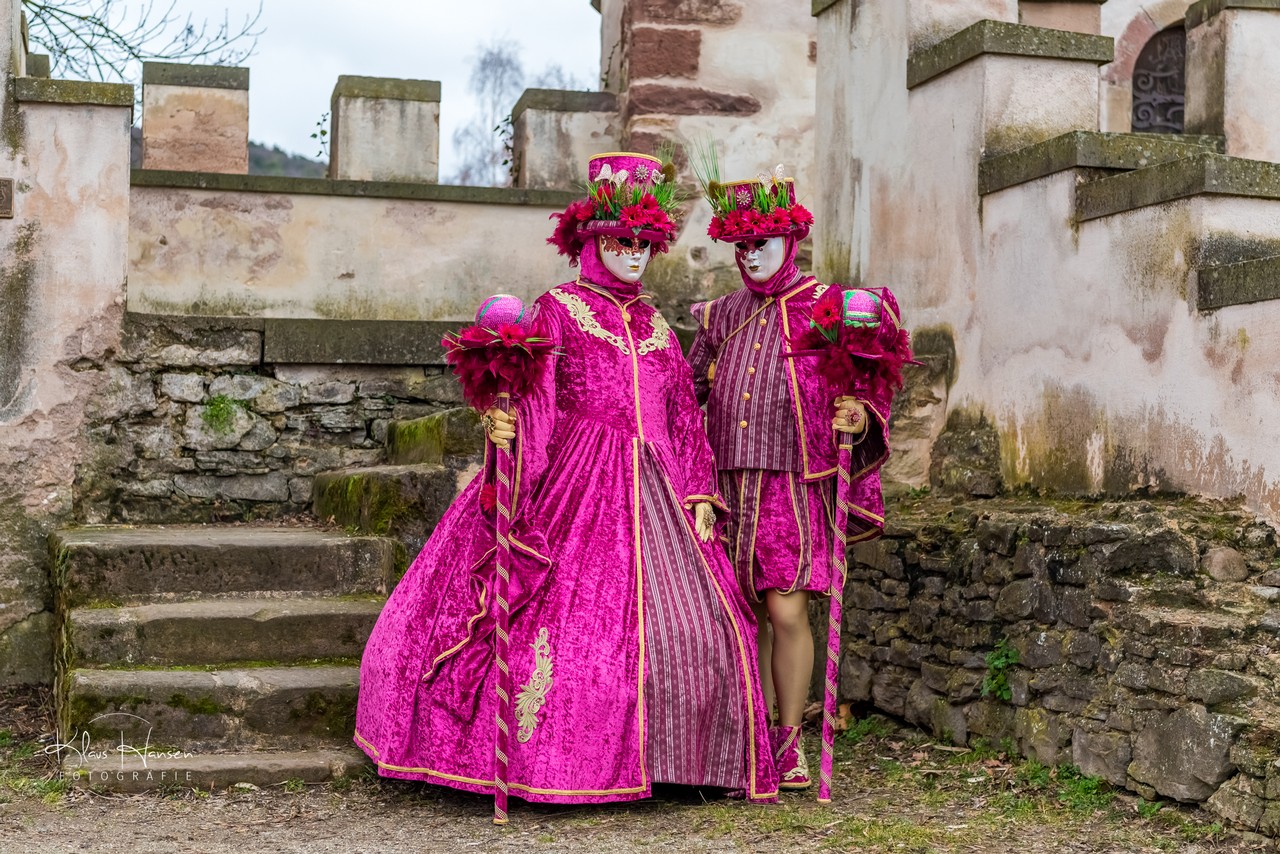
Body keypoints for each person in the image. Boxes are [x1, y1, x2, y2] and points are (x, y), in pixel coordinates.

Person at [354, 152, 778, 806]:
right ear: (591, 242)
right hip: (576, 483)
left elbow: (683, 418)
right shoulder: (558, 309)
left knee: (702, 629)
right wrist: (509, 434)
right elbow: (538, 398)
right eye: (621, 242)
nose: (635, 255)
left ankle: (681, 761)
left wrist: (699, 490)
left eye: (644, 243)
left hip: (663, 493)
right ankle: (560, 767)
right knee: (572, 643)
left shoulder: (659, 327)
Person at [687, 166, 897, 790]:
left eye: (762, 243)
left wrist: (859, 413)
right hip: (725, 483)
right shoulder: (720, 316)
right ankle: (746, 739)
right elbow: (683, 394)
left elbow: (870, 381)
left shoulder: (827, 308)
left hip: (792, 485)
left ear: (791, 239)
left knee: (784, 610)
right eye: (741, 246)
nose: (751, 256)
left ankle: (787, 739)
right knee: (736, 612)